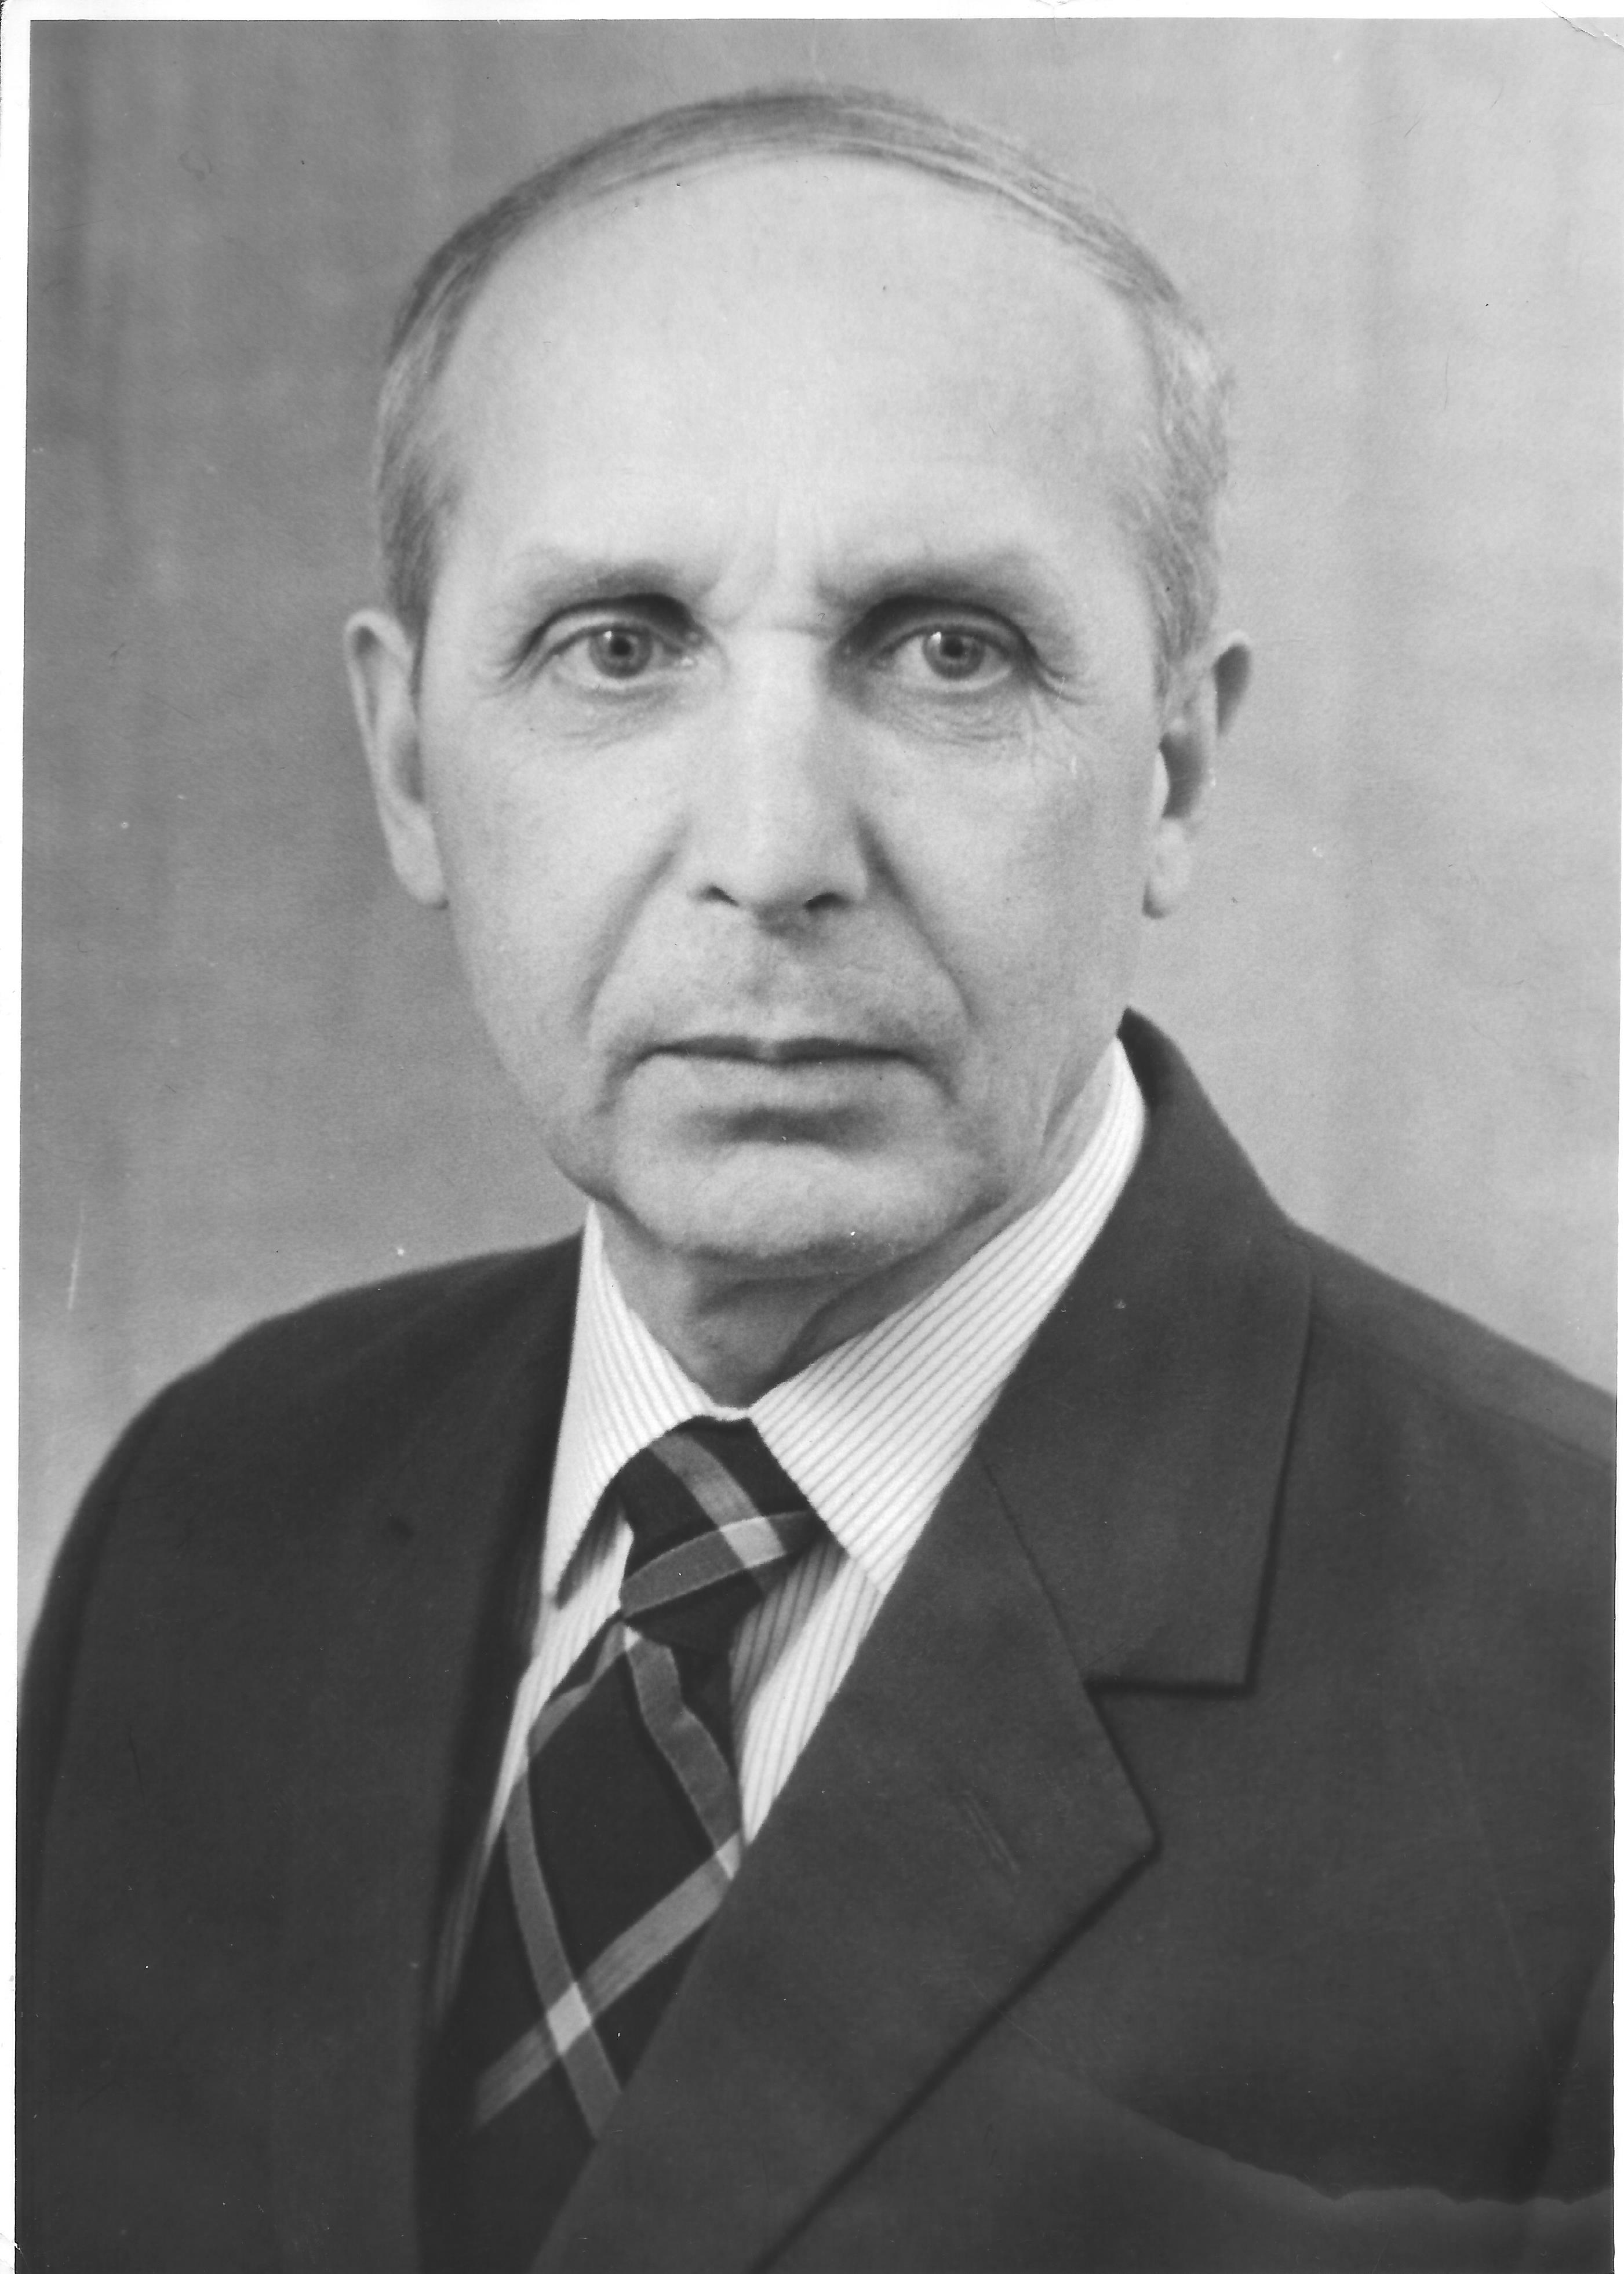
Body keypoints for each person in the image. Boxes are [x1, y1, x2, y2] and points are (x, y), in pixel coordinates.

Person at [20, 87, 1611, 2274]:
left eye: (948, 648)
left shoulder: (1581, 1661)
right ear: (406, 762)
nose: (773, 853)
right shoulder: (212, 1516)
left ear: (1172, 769)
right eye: (618, 644)